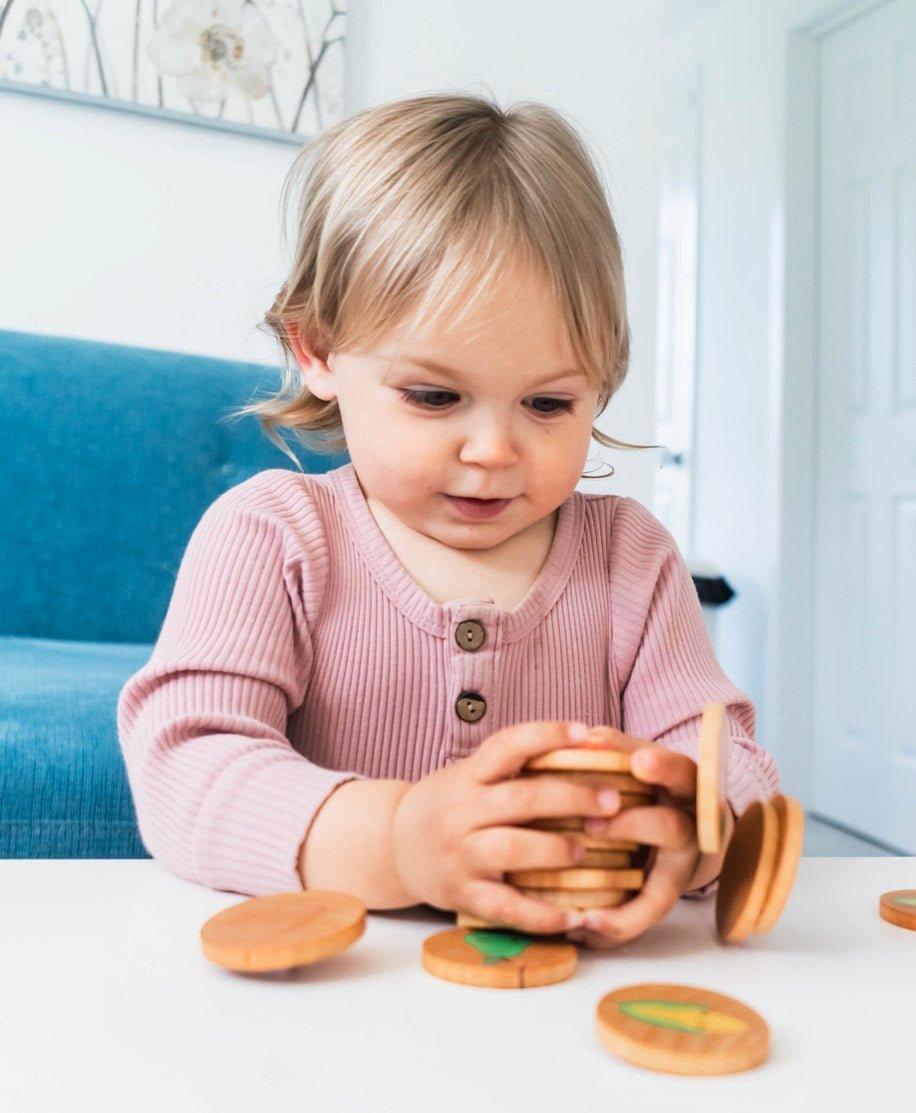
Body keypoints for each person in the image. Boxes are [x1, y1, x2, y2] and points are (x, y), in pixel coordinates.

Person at [117, 91, 779, 950]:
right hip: (332, 990)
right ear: (317, 349)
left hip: (565, 995)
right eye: (434, 396)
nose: (494, 450)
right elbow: (185, 767)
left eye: (549, 402)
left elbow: (733, 761)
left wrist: (693, 828)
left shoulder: (630, 557)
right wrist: (397, 842)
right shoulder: (271, 536)